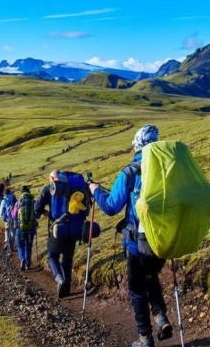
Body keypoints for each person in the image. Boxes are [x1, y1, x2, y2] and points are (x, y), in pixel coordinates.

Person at [89, 124, 172, 347]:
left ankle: (145, 339)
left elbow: (110, 207)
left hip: (137, 243)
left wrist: (95, 189)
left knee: (136, 289)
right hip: (163, 239)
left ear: (137, 145)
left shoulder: (130, 172)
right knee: (151, 277)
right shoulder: (168, 167)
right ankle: (161, 318)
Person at [35, 169, 76, 298]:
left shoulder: (48, 189)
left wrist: (45, 213)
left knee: (52, 257)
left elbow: (37, 207)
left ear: (53, 178)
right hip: (72, 228)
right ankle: (67, 288)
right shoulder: (73, 188)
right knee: (67, 258)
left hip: (56, 228)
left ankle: (59, 279)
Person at [15, 185, 36, 271]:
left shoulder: (18, 202)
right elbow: (37, 215)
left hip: (20, 228)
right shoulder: (33, 202)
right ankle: (28, 265)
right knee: (28, 246)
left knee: (20, 245)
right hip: (31, 228)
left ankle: (22, 258)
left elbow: (13, 215)